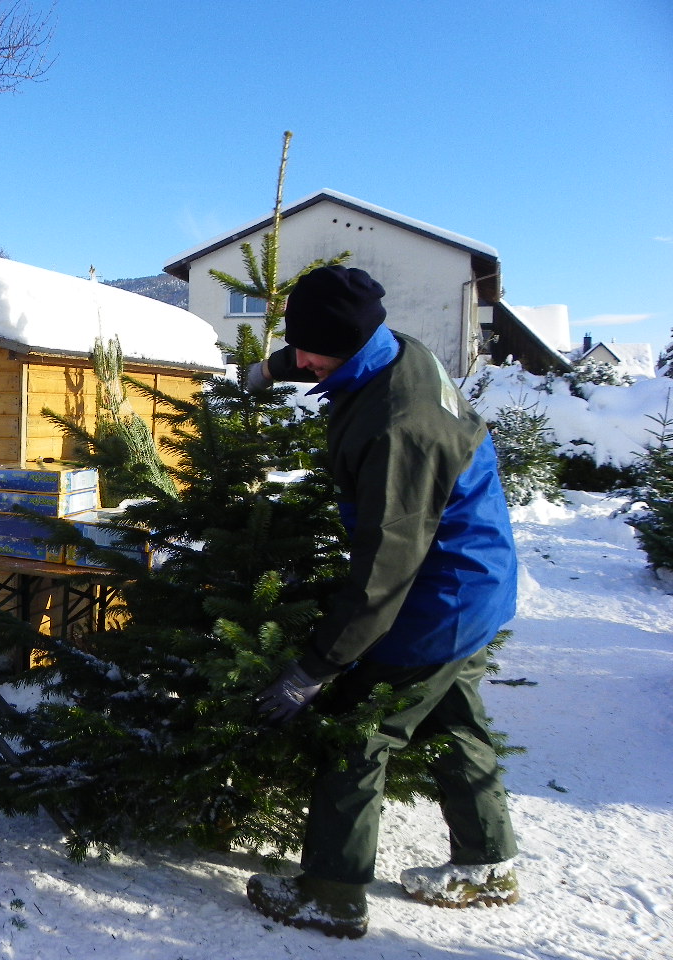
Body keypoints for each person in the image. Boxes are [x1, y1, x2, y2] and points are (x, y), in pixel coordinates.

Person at [244, 265, 520, 939]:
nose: (306, 362)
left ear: (351, 345)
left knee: (359, 727)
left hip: (438, 595)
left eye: (313, 354)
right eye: (300, 347)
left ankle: (332, 893)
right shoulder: (395, 350)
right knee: (453, 718)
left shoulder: (401, 427)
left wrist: (315, 668)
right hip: (479, 579)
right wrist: (271, 369)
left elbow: (384, 572)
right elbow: (322, 348)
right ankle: (489, 864)